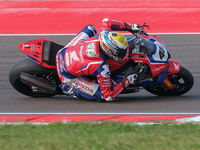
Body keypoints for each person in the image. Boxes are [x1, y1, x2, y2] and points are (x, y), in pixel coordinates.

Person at [56, 18, 141, 101]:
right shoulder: (102, 67)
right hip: (65, 74)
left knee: (91, 28)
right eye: (121, 52)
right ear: (109, 51)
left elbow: (107, 21)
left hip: (63, 52)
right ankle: (72, 90)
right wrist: (126, 81)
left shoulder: (103, 34)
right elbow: (108, 96)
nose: (124, 53)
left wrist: (130, 27)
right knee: (101, 95)